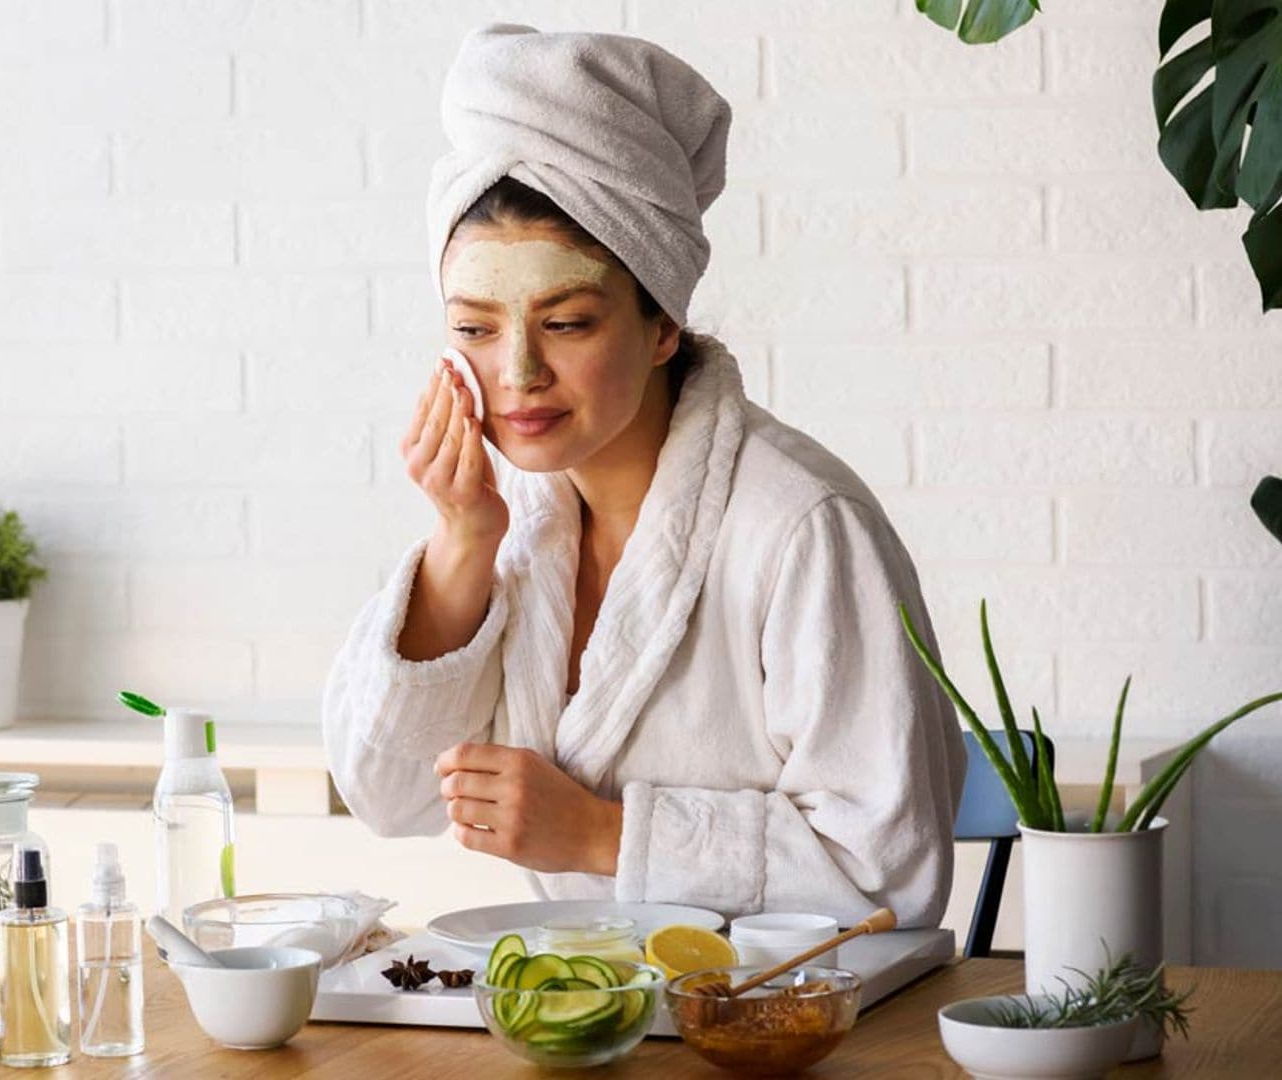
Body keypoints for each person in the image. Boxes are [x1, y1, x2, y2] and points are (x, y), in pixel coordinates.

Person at [322, 24, 966, 927]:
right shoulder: (519, 530)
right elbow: (386, 797)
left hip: (796, 1036)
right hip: (591, 1017)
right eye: (473, 328)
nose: (517, 374)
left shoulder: (800, 525)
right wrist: (461, 541)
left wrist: (599, 836)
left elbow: (885, 878)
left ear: (662, 325)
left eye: (569, 322)